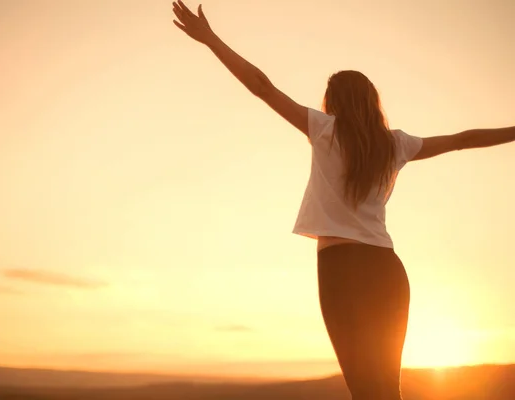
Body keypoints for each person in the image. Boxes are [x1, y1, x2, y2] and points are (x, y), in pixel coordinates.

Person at [171, 2, 515, 399]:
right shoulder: (395, 144)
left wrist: (211, 39)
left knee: (366, 391)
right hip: (387, 269)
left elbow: (262, 86)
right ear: (372, 101)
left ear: (333, 101)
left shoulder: (323, 129)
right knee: (387, 390)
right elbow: (463, 140)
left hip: (340, 270)